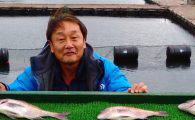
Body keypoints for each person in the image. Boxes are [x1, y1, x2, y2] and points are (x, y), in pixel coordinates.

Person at [0, 7, 148, 93]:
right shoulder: (37, 69)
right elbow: (14, 92)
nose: (69, 44)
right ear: (51, 46)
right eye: (61, 39)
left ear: (84, 42)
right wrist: (3, 88)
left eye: (74, 38)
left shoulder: (104, 68)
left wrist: (134, 91)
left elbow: (123, 91)